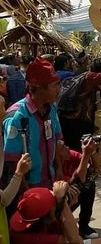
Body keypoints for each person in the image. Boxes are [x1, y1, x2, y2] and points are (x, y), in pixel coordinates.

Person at [3, 57, 63, 189]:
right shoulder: (17, 116)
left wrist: (58, 168)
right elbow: (13, 162)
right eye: (55, 85)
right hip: (31, 189)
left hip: (51, 181)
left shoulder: (51, 109)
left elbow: (56, 141)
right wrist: (27, 192)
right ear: (39, 88)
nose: (59, 90)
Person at [9, 182, 101, 244]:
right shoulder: (30, 240)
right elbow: (75, 243)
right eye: (54, 204)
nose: (56, 204)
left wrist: (65, 206)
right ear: (45, 217)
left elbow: (64, 233)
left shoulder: (33, 217)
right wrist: (63, 203)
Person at [58, 59, 101, 152]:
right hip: (77, 120)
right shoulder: (90, 77)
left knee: (77, 146)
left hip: (73, 118)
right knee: (79, 148)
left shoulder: (87, 78)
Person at [57, 138, 100, 239]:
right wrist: (86, 155)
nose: (67, 148)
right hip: (58, 202)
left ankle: (84, 226)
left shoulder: (72, 155)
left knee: (89, 184)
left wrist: (92, 153)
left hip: (70, 196)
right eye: (63, 148)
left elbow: (95, 171)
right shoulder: (50, 167)